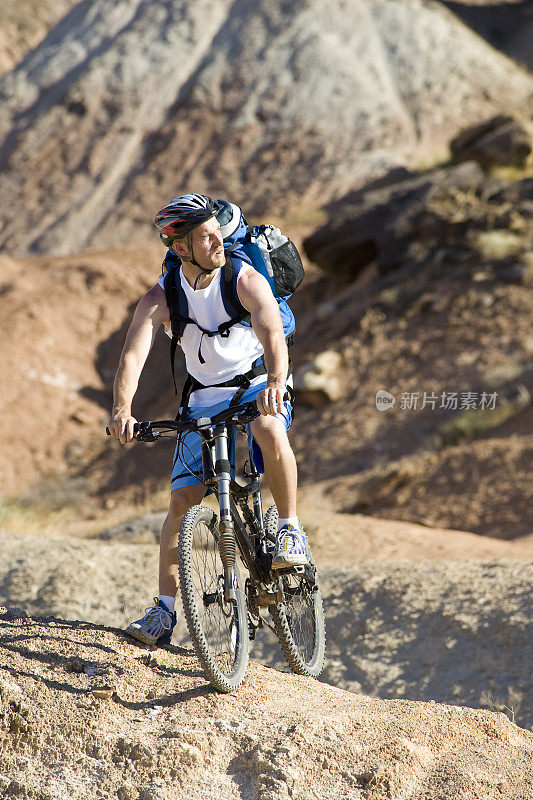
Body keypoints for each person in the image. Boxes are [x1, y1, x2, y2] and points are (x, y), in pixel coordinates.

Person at [107, 193, 309, 647]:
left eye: (216, 231)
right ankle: (163, 611)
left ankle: (291, 530)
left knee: (268, 426)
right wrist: (123, 411)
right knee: (181, 504)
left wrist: (277, 380)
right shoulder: (163, 295)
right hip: (203, 398)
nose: (217, 241)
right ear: (181, 248)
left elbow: (273, 329)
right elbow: (134, 354)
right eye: (204, 236)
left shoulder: (244, 277)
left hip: (258, 382)